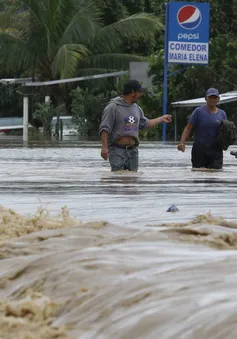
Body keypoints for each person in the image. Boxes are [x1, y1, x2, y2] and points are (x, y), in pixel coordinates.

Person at [99, 79, 172, 171]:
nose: (140, 95)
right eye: (139, 92)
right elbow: (104, 129)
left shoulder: (137, 108)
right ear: (132, 92)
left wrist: (161, 119)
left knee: (132, 181)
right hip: (117, 150)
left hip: (133, 151)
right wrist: (104, 147)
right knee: (117, 180)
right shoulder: (113, 107)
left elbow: (145, 123)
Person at [177, 88, 227, 169]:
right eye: (210, 97)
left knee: (216, 175)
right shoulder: (198, 111)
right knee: (199, 173)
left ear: (218, 99)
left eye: (215, 97)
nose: (213, 99)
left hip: (216, 150)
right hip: (200, 149)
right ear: (206, 98)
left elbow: (225, 132)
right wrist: (182, 143)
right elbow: (188, 128)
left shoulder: (222, 114)